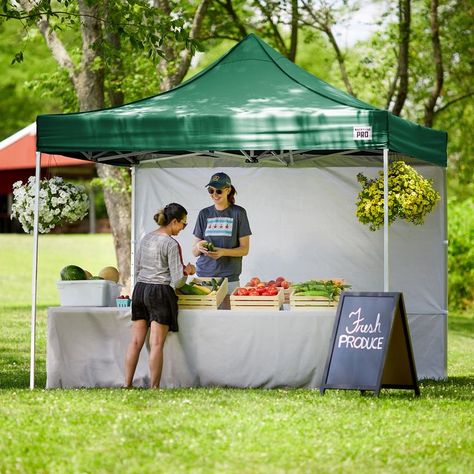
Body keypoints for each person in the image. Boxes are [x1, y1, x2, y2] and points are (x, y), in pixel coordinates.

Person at [124, 203, 195, 389]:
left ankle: (126, 384)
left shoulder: (146, 238)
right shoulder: (171, 244)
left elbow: (137, 268)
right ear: (174, 221)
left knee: (136, 341)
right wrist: (188, 271)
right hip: (159, 293)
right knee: (155, 344)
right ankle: (154, 387)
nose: (183, 228)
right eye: (183, 224)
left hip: (140, 290)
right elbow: (178, 280)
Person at [192, 172, 251, 295]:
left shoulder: (238, 213)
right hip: (204, 276)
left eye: (218, 191)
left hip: (229, 278)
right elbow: (194, 252)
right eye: (211, 191)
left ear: (228, 190)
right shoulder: (204, 213)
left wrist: (223, 252)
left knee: (228, 313)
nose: (214, 194)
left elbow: (244, 250)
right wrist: (199, 246)